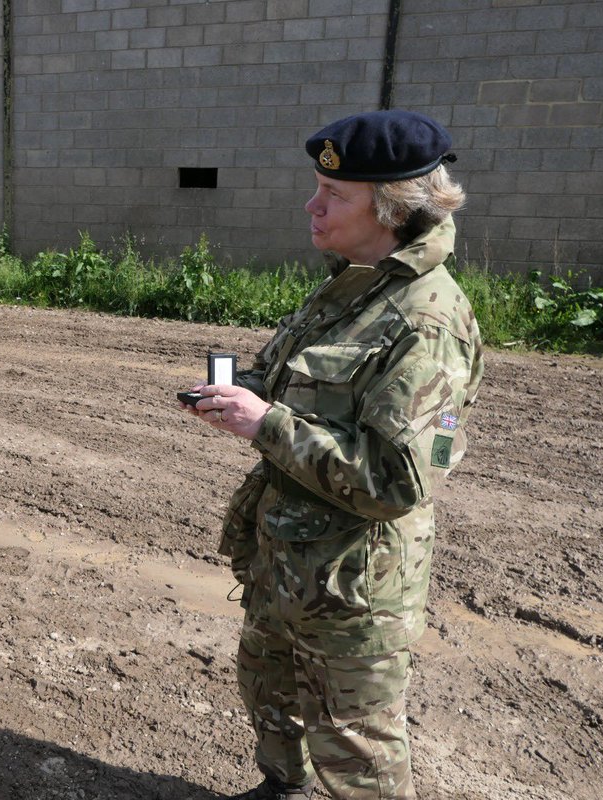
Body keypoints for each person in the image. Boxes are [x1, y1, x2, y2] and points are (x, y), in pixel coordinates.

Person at [182, 110, 484, 800]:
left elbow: (397, 481)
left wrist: (265, 425)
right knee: (271, 693)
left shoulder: (424, 320)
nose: (312, 206)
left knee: (357, 751)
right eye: (316, 187)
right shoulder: (350, 287)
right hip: (287, 564)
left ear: (390, 209)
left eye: (333, 195)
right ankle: (282, 787)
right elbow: (286, 376)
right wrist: (240, 392)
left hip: (354, 589)